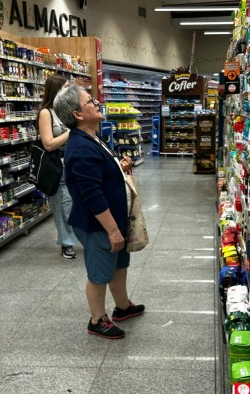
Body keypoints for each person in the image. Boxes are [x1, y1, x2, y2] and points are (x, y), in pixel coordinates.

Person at [53, 85, 144, 339]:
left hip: (113, 219)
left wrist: (120, 167)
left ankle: (123, 307)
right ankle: (97, 320)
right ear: (78, 114)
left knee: (118, 264)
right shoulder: (80, 148)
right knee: (99, 272)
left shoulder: (92, 137)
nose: (96, 102)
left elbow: (101, 174)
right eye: (89, 101)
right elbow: (92, 194)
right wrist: (113, 230)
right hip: (99, 224)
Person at [37, 75, 79, 259]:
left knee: (77, 201)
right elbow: (48, 144)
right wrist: (71, 132)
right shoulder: (46, 113)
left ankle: (79, 236)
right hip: (58, 165)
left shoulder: (69, 109)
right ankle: (67, 242)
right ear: (55, 90)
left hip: (75, 162)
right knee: (63, 204)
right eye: (65, 87)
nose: (68, 90)